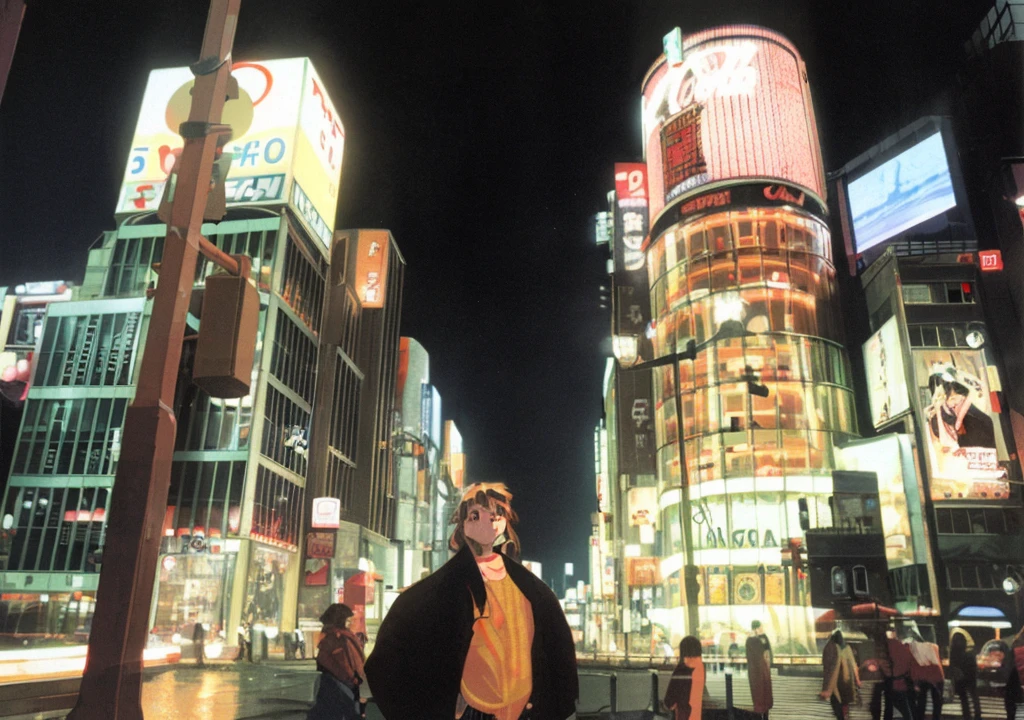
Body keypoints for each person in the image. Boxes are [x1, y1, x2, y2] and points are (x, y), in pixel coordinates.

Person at [364, 482, 579, 720]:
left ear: (504, 523)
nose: (486, 522)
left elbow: (556, 644)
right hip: (474, 710)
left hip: (524, 710)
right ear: (462, 526)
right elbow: (388, 657)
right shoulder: (444, 587)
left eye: (495, 516)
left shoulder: (527, 587)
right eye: (475, 515)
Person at [307, 603, 366, 720]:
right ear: (339, 620)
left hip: (343, 684)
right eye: (348, 620)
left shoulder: (344, 636)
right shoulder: (335, 638)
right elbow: (341, 663)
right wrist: (351, 678)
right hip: (339, 685)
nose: (351, 623)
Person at [821, 630, 861, 720]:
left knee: (836, 700)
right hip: (846, 679)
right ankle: (844, 716)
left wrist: (825, 687)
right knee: (844, 701)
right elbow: (854, 665)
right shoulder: (847, 648)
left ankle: (841, 717)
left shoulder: (831, 647)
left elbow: (828, 667)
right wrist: (857, 679)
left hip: (836, 679)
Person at [664, 635, 705, 720]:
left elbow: (669, 700)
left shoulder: (682, 670)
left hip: (684, 715)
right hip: (697, 715)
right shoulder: (701, 668)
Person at [906, 629, 943, 720]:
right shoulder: (934, 647)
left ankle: (919, 717)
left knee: (922, 700)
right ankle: (936, 718)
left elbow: (913, 665)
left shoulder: (912, 648)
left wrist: (914, 680)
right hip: (936, 675)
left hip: (922, 676)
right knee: (937, 701)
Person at [948, 632, 980, 720]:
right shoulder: (969, 654)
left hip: (960, 677)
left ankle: (967, 716)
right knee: (973, 696)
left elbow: (952, 667)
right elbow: (974, 667)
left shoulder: (953, 653)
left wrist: (953, 679)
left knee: (964, 698)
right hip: (969, 676)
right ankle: (977, 715)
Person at [745, 620, 773, 719]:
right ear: (756, 628)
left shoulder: (760, 638)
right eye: (760, 627)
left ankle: (764, 715)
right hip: (758, 670)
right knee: (760, 694)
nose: (762, 628)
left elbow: (767, 650)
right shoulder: (752, 640)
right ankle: (762, 715)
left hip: (760, 670)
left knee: (763, 693)